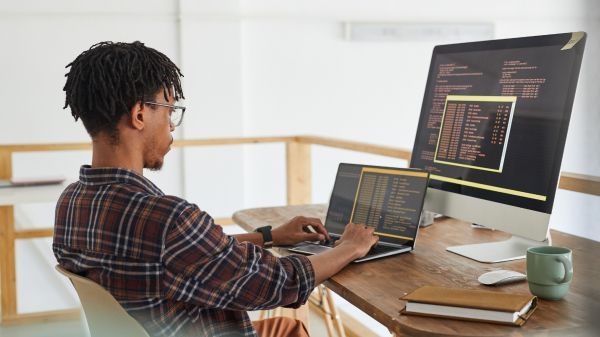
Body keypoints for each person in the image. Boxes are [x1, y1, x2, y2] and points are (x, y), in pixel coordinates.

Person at [53, 41, 378, 337]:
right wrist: (349, 246)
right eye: (170, 111)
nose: (171, 126)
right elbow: (279, 283)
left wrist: (269, 236)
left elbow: (178, 256)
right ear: (140, 114)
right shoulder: (168, 220)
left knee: (286, 328)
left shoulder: (71, 202)